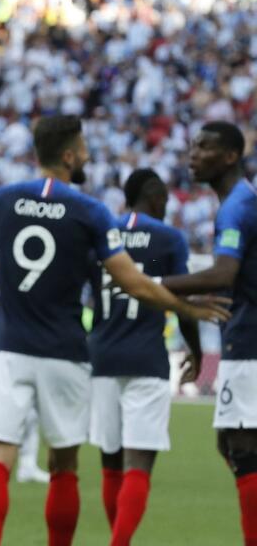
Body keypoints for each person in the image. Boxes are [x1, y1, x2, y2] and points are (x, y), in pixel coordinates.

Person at [0, 115, 230, 546]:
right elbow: (135, 283)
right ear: (69, 155)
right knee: (64, 464)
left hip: (7, 347)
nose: (86, 155)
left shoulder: (0, 200)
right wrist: (185, 307)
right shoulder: (91, 212)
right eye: (82, 148)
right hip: (65, 352)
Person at [88, 168, 203, 545]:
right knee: (139, 464)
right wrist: (196, 349)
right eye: (166, 202)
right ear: (155, 198)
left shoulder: (103, 232)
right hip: (146, 358)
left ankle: (115, 539)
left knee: (110, 462)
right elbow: (181, 301)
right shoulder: (169, 238)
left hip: (102, 357)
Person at [161, 121, 257, 546]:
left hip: (249, 344)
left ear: (231, 156)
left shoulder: (237, 206)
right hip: (245, 339)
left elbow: (223, 273)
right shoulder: (240, 202)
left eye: (204, 147)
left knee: (240, 447)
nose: (193, 154)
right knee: (230, 444)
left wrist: (152, 282)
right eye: (193, 145)